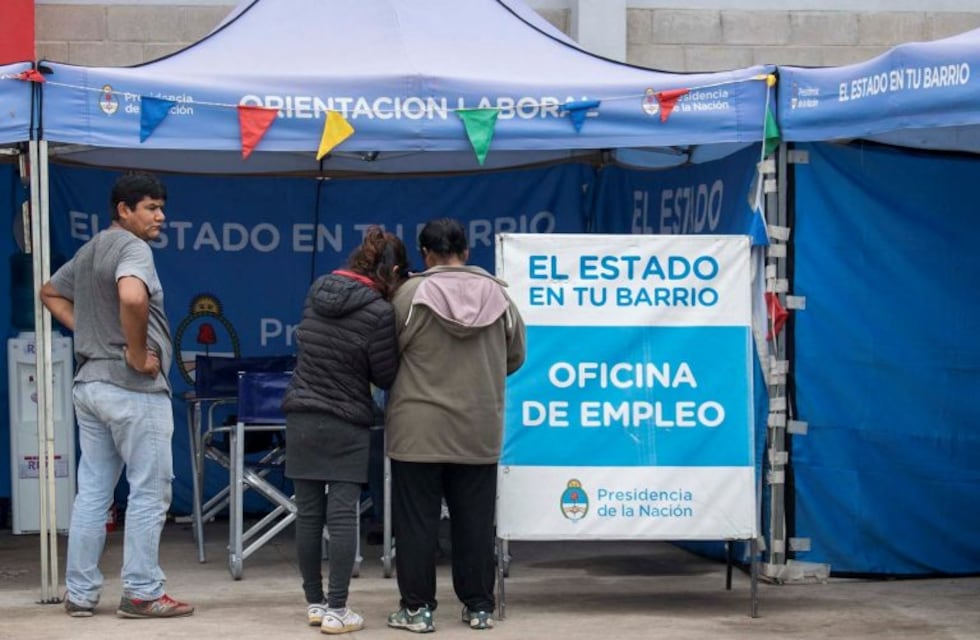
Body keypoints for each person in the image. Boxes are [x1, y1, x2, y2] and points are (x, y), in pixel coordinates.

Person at [40, 172, 194, 619]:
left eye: (162, 206)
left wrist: (88, 331)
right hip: (133, 389)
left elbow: (49, 292)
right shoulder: (132, 248)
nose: (160, 216)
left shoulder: (90, 250)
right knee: (149, 492)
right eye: (150, 207)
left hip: (90, 385)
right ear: (123, 210)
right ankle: (143, 592)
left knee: (92, 492)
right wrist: (133, 351)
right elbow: (131, 297)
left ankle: (81, 594)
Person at [385, 218, 526, 633]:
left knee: (417, 524)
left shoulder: (409, 295)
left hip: (418, 429)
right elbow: (514, 357)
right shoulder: (501, 298)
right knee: (475, 522)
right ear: (465, 250)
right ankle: (479, 606)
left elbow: (385, 355)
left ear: (426, 254)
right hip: (478, 427)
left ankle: (417, 610)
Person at [282, 226, 408, 634]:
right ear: (393, 271)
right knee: (340, 516)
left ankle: (315, 604)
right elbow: (385, 375)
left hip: (301, 414)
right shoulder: (379, 312)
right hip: (346, 419)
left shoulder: (319, 289)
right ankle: (338, 609)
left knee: (308, 516)